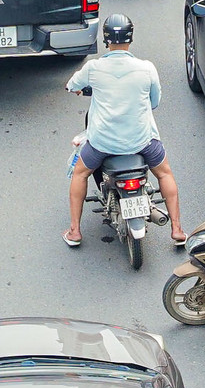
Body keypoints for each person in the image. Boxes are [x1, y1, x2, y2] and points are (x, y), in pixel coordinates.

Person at [64, 13, 186, 247]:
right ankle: (177, 229)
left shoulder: (93, 68)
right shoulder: (147, 68)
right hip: (142, 142)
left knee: (80, 174)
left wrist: (78, 89)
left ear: (105, 39)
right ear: (130, 38)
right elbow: (154, 102)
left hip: (102, 144)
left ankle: (75, 231)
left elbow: (71, 85)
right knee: (164, 174)